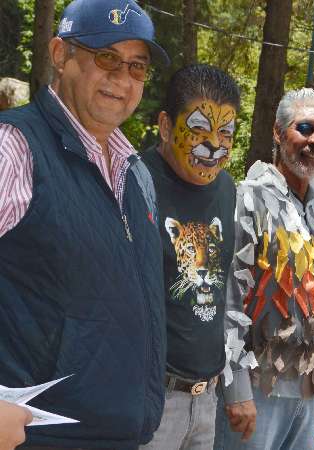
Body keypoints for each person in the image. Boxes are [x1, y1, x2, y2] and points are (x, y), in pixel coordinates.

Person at [0, 0, 169, 447]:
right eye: (106, 57)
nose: (121, 78)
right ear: (60, 55)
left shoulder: (137, 172)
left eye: (136, 67)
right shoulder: (15, 147)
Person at [216, 88, 314, 450]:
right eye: (305, 128)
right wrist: (236, 389)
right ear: (278, 134)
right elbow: (228, 297)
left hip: (309, 396)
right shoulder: (248, 199)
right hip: (256, 393)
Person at [139, 64, 240, 449]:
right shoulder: (134, 182)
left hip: (206, 399)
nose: (215, 144)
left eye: (226, 132)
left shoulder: (227, 188)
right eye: (199, 128)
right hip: (152, 398)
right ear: (166, 126)